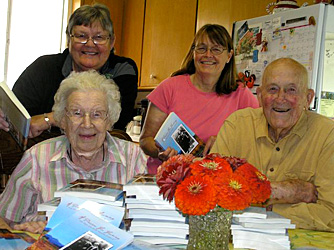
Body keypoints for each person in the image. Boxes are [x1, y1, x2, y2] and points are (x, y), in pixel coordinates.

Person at [0, 70, 147, 234]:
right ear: (63, 119)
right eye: (77, 113)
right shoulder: (36, 158)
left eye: (97, 114)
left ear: (109, 120)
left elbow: (147, 223)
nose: (87, 124)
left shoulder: (134, 158)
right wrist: (28, 232)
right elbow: (4, 219)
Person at [210, 58, 334, 232]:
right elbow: (211, 190)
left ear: (308, 98)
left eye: (291, 90)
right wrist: (283, 191)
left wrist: (266, 210)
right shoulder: (237, 125)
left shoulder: (327, 135)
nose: (280, 98)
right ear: (260, 96)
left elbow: (330, 213)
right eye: (273, 89)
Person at [0, 3, 137, 136]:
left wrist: (51, 119)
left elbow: (117, 121)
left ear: (112, 42)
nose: (90, 44)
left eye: (99, 37)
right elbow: (18, 116)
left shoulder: (123, 69)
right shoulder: (44, 68)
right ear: (68, 39)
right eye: (81, 36)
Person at [139, 24, 259, 172]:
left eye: (216, 49)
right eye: (201, 48)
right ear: (194, 53)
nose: (208, 54)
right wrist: (160, 153)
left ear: (229, 56)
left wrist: (225, 142)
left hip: (213, 182)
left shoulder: (241, 94)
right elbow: (145, 140)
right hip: (166, 181)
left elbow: (257, 140)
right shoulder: (169, 87)